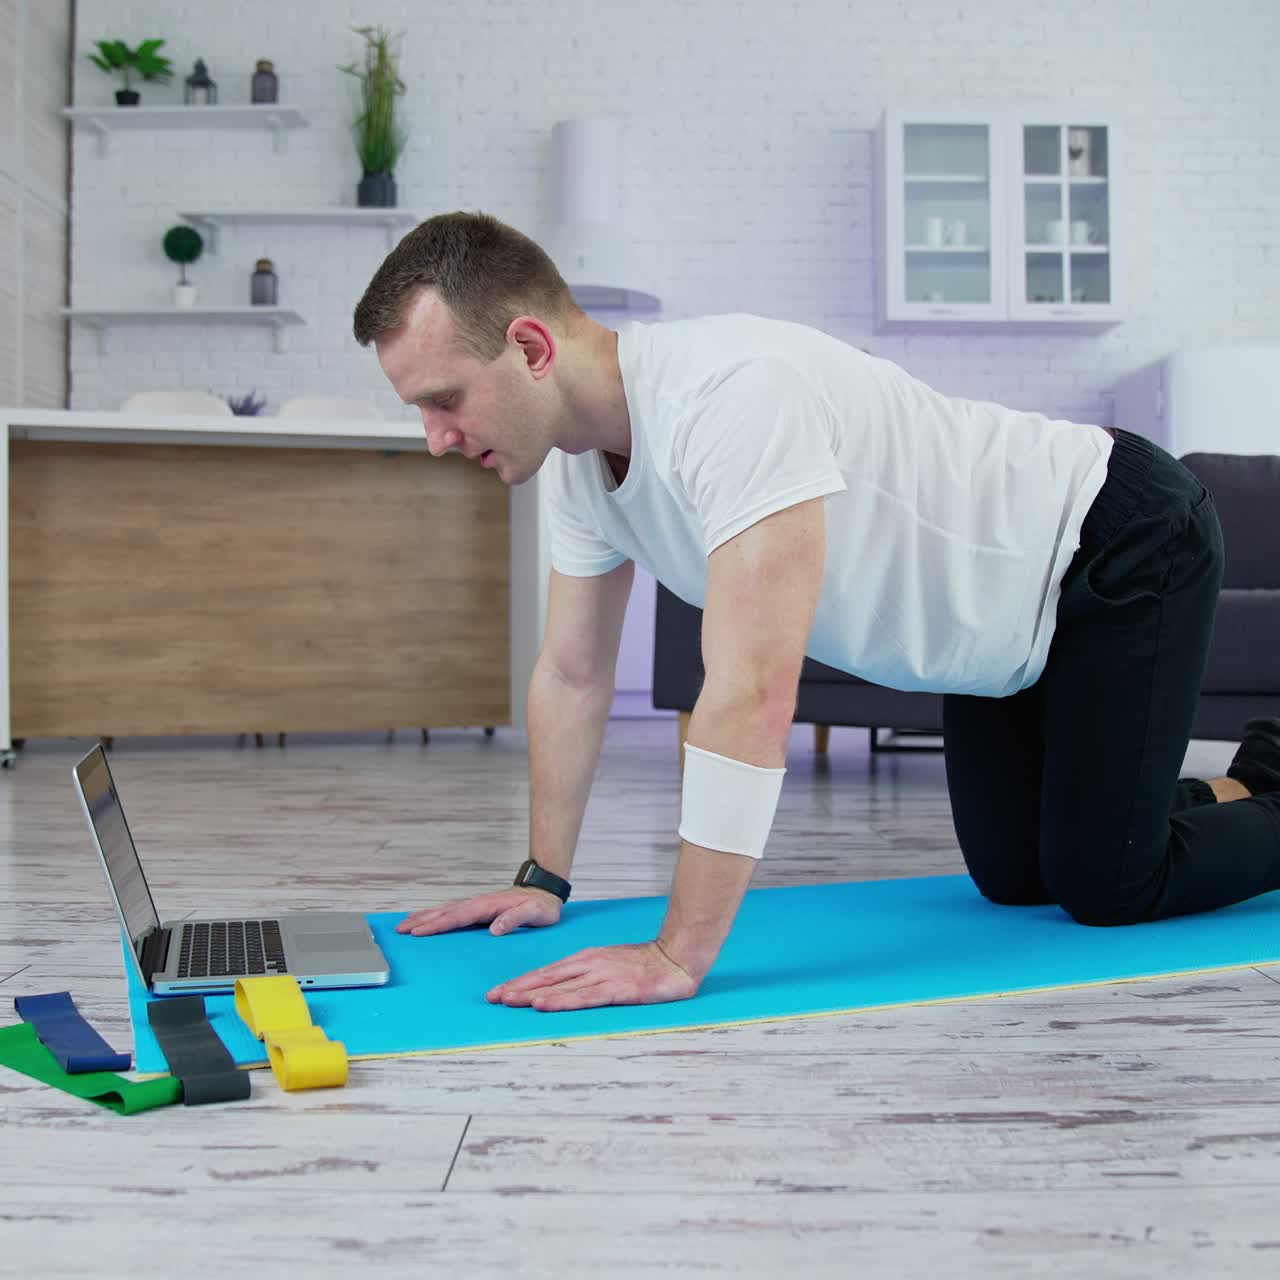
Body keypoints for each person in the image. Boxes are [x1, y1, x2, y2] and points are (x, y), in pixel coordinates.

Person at [352, 211, 1280, 1014]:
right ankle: (1198, 788)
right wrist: (543, 879)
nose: (436, 440)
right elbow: (572, 670)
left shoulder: (731, 397)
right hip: (993, 632)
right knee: (1016, 878)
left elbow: (753, 689)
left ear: (530, 348)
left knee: (1109, 883)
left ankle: (1167, 811)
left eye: (444, 401)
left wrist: (678, 954)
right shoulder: (577, 469)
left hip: (1114, 536)